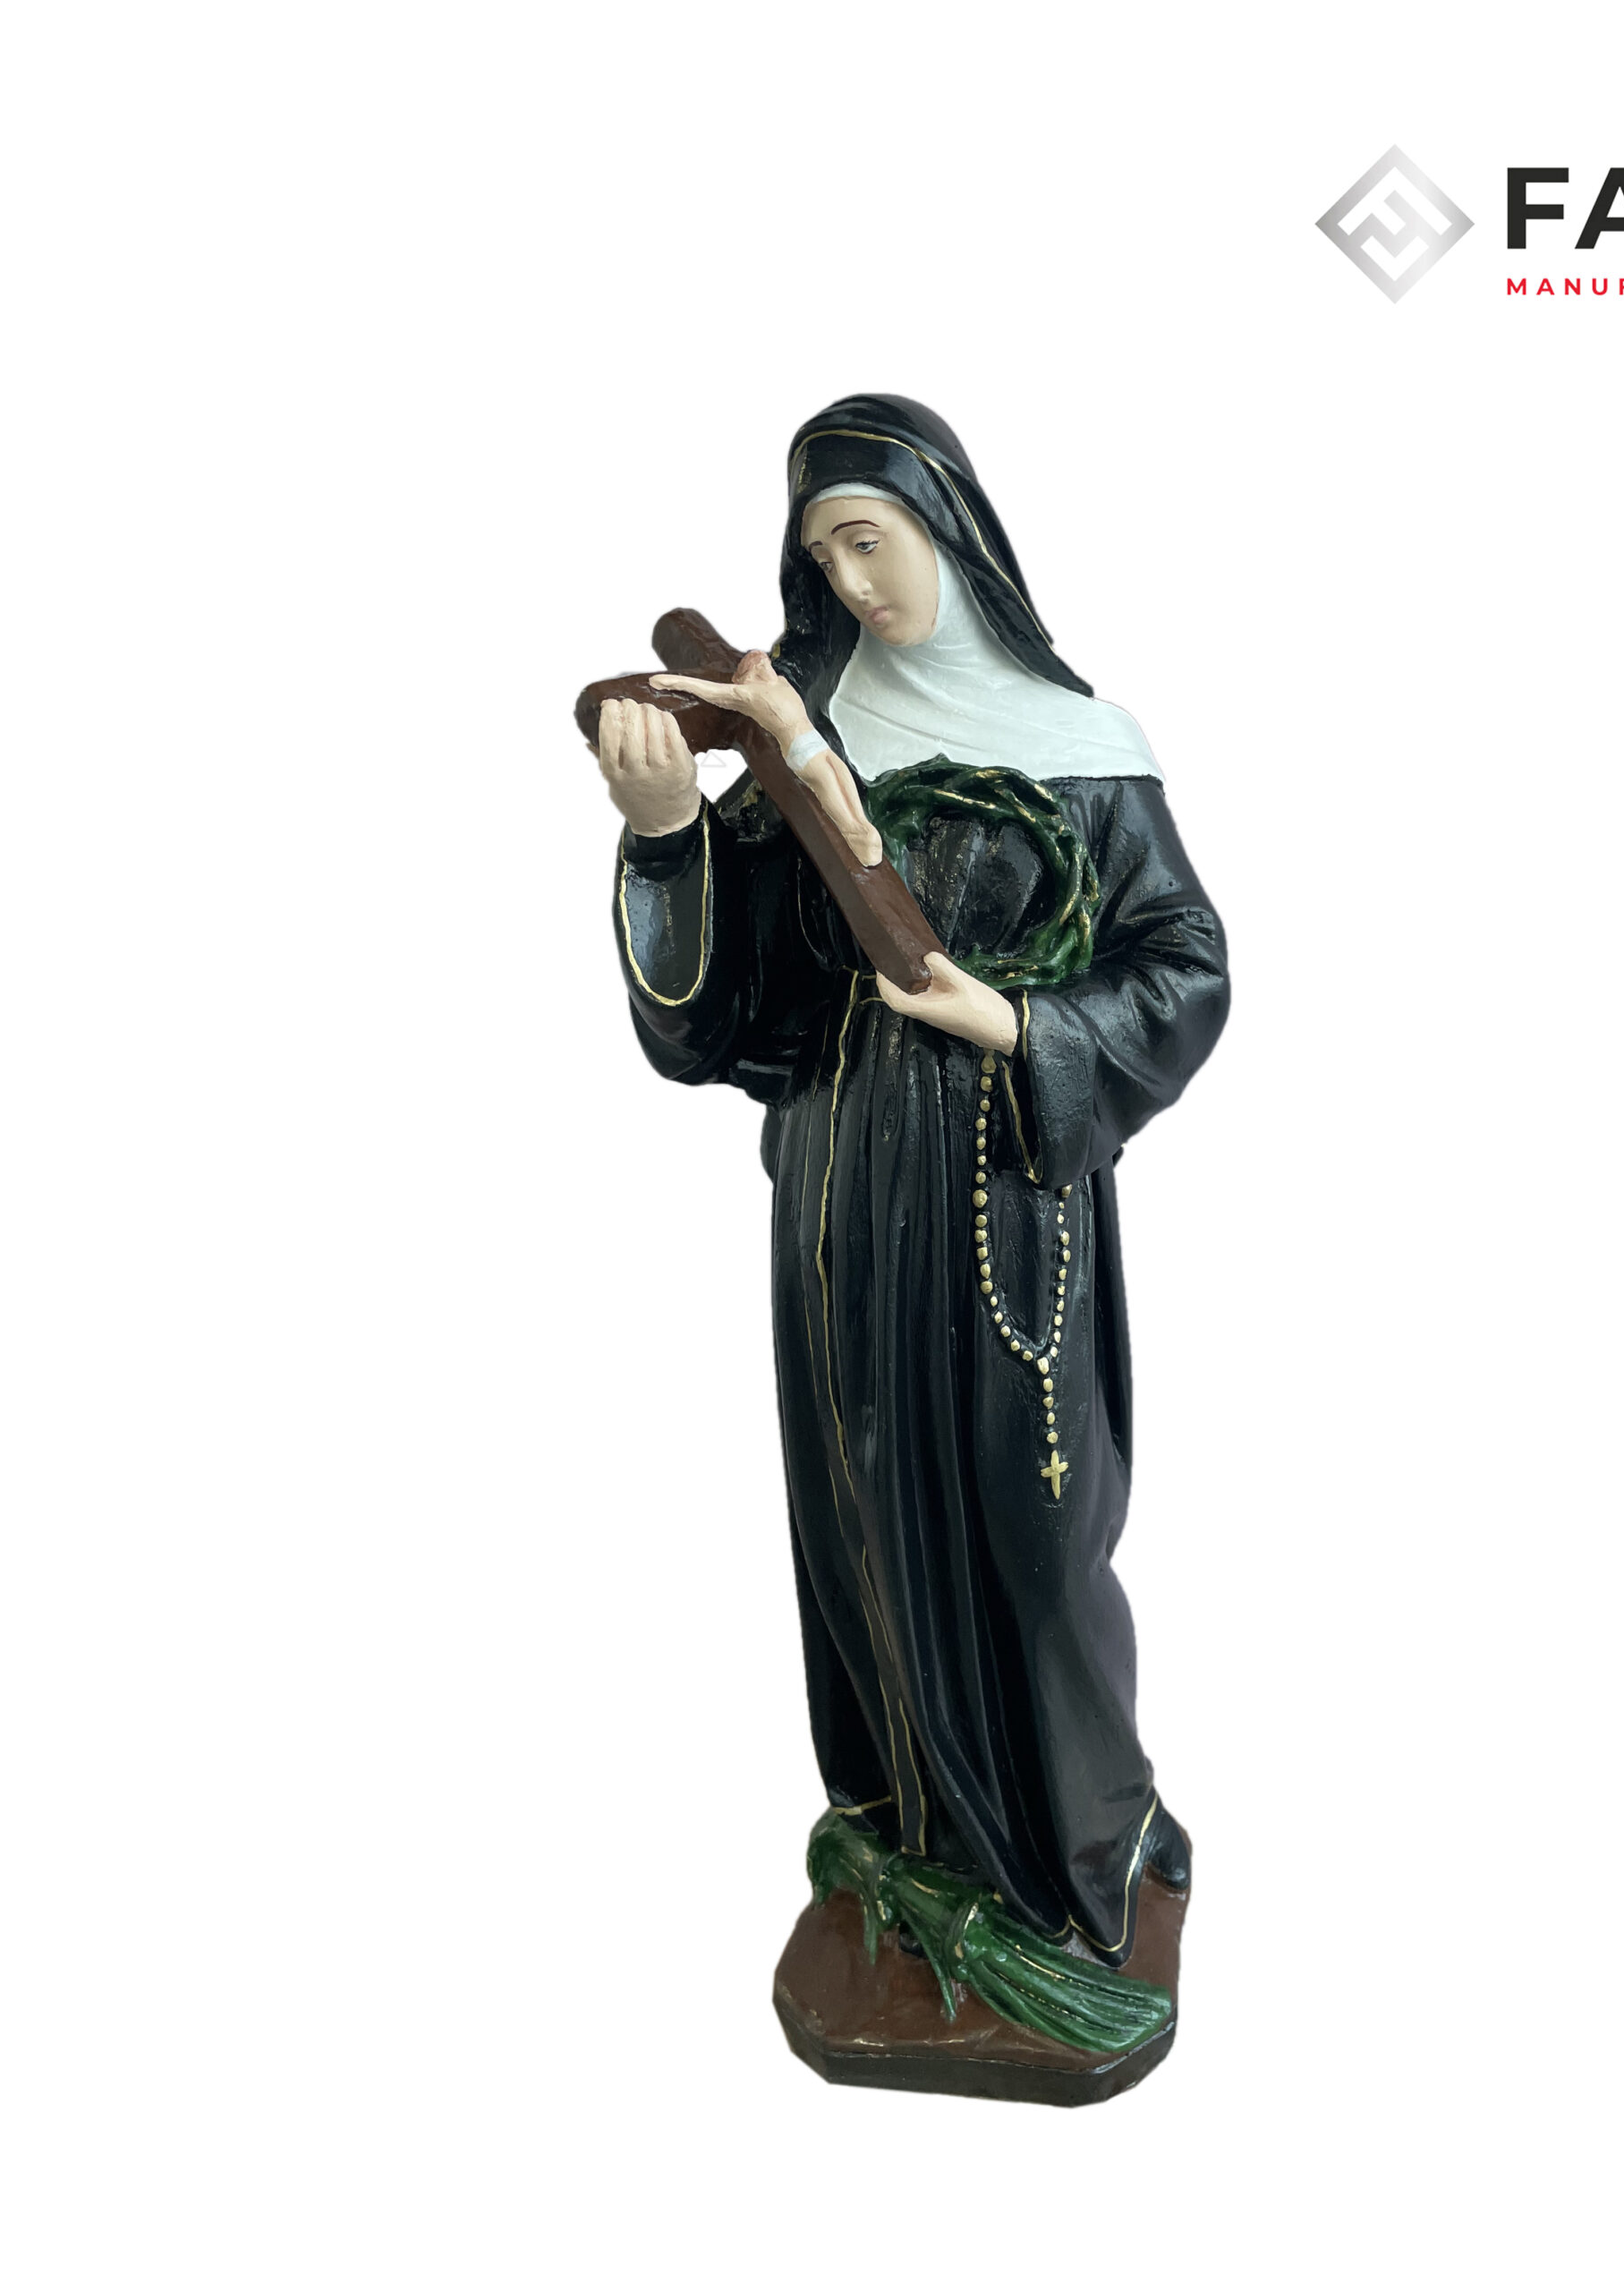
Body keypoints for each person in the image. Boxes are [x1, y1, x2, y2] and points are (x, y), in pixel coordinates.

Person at [595, 395, 1229, 1968]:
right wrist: (667, 835)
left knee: (1037, 1532)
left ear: (951, 531)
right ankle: (913, 1842)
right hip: (838, 1200)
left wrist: (1017, 1024)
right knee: (863, 1518)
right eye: (823, 557)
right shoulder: (802, 740)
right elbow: (713, 1016)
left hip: (1011, 1202)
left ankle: (1089, 1849)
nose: (854, 584)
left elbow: (1187, 972)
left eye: (871, 541)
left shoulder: (1084, 750)